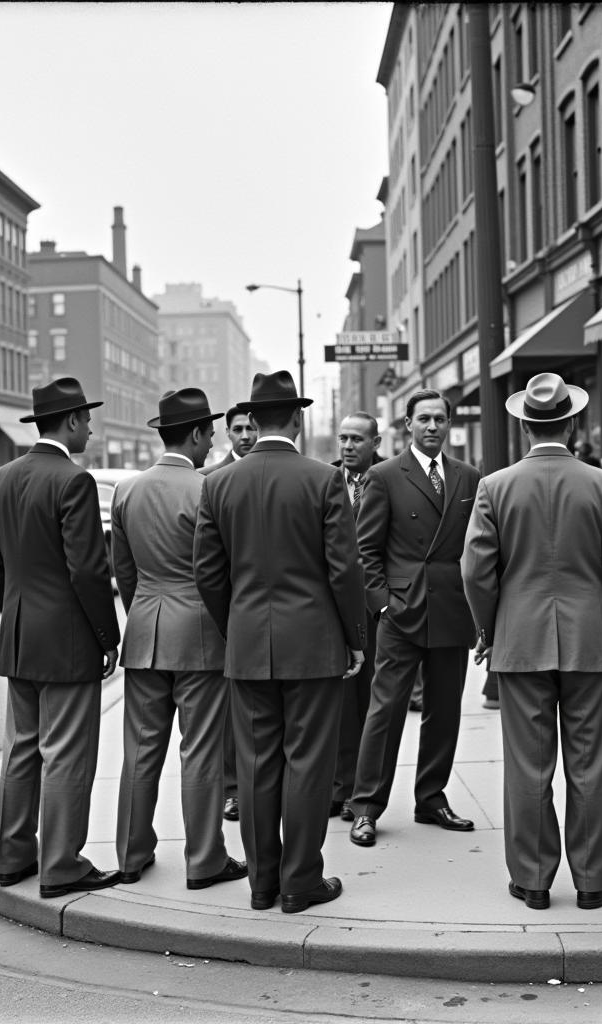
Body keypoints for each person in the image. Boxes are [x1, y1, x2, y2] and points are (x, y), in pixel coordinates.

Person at [461, 372, 602, 911]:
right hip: (591, 642)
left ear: (523, 426)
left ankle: (533, 880)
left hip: (520, 641)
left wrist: (490, 631)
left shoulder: (494, 487)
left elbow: (474, 572)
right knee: (593, 765)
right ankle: (593, 881)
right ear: (572, 422)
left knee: (528, 766)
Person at [194, 370, 366, 914]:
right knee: (308, 764)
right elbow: (344, 569)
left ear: (256, 419)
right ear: (296, 418)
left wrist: (236, 626)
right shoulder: (322, 479)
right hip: (313, 643)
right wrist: (354, 638)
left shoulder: (219, 483)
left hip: (248, 644)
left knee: (255, 767)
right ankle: (301, 881)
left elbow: (207, 573)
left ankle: (263, 884)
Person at [0, 377, 121, 899]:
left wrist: (17, 608)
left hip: (19, 637)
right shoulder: (73, 481)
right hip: (67, 642)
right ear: (73, 421)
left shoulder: (0, 478)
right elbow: (87, 570)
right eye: (87, 418)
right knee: (66, 754)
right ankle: (61, 864)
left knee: (21, 749)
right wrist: (108, 636)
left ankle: (14, 858)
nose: (90, 427)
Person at [110, 388, 247, 891]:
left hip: (145, 627)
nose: (212, 443)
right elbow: (220, 571)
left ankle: (130, 854)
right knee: (202, 751)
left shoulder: (127, 490)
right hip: (200, 634)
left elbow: (123, 572)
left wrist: (144, 609)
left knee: (141, 749)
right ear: (192, 434)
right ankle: (205, 859)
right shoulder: (208, 489)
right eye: (209, 433)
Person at [348, 389, 480, 849]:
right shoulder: (384, 476)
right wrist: (383, 603)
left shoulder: (468, 477)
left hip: (451, 611)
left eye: (439, 419)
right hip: (401, 613)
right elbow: (364, 550)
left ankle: (431, 798)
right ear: (407, 424)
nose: (432, 426)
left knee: (444, 712)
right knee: (384, 713)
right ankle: (366, 807)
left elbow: (477, 550)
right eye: (423, 419)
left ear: (448, 424)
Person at [200, 403, 257, 825]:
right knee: (228, 715)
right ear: (226, 434)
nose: (245, 435)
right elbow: (206, 564)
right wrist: (225, 618)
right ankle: (233, 790)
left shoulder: (281, 471)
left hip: (268, 616)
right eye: (237, 429)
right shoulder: (209, 481)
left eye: (252, 428)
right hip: (228, 616)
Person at [329, 411, 385, 822]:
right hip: (331, 612)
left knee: (370, 704)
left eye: (356, 440)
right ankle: (338, 787)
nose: (347, 446)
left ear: (375, 443)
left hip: (375, 613)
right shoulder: (324, 481)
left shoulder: (389, 480)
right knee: (338, 705)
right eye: (342, 439)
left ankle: (361, 791)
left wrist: (384, 603)